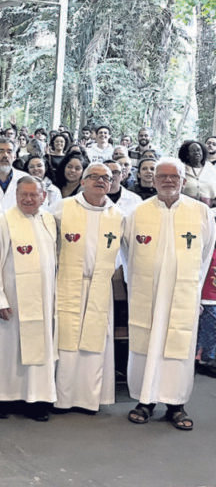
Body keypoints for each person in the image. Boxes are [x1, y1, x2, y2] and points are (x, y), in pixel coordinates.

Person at [123, 158, 215, 431]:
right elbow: (128, 252)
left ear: (183, 182)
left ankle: (176, 404)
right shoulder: (138, 212)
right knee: (145, 346)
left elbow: (206, 252)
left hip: (183, 293)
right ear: (153, 180)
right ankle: (145, 401)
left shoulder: (200, 212)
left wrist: (195, 290)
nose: (167, 181)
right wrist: (137, 283)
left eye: (174, 177)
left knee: (179, 349)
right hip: (147, 293)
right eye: (162, 176)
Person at [0, 177, 57, 421]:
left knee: (38, 348)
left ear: (43, 196)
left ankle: (36, 399)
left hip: (42, 300)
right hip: (11, 301)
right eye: (24, 194)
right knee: (5, 349)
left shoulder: (49, 220)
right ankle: (2, 398)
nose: (28, 199)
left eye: (34, 194)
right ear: (16, 195)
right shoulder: (3, 223)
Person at [50, 163, 124, 413]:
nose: (101, 181)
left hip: (100, 286)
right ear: (82, 181)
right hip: (69, 282)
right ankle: (62, 398)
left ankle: (89, 399)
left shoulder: (117, 215)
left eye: (106, 178)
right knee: (66, 339)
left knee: (95, 342)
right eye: (94, 177)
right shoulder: (63, 207)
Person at [0, 138, 28, 210]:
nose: (5, 155)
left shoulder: (25, 179)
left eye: (9, 152)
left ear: (15, 156)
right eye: (1, 151)